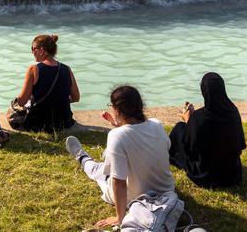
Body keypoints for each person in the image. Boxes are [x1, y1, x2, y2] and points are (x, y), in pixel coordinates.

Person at [64, 86, 175, 229]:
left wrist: (119, 217)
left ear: (117, 109)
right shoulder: (157, 124)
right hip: (166, 190)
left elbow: (119, 182)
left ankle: (82, 156)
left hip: (136, 198)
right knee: (111, 163)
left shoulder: (117, 135)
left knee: (98, 171)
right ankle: (90, 157)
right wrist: (120, 126)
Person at [168, 73, 245, 188]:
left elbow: (190, 148)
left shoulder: (199, 118)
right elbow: (240, 144)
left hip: (207, 177)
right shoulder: (233, 112)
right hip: (232, 175)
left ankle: (168, 155)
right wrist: (193, 121)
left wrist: (189, 120)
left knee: (179, 128)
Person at [12, 34, 80, 132]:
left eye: (33, 48)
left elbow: (22, 102)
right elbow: (76, 98)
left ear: (41, 50)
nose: (32, 52)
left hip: (39, 123)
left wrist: (16, 101)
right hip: (64, 122)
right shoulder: (67, 69)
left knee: (13, 108)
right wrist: (57, 99)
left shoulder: (33, 69)